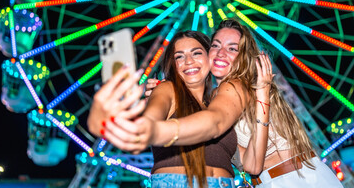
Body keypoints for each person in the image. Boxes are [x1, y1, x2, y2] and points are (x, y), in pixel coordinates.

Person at [99, 19, 343, 188]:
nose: (221, 53)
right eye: (215, 46)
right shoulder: (213, 100)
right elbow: (250, 164)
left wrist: (154, 128)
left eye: (232, 48)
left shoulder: (237, 85)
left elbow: (215, 124)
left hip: (299, 178)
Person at [89, 30, 238, 188]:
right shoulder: (167, 89)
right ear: (173, 65)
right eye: (179, 56)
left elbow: (250, 164)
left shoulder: (221, 103)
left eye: (196, 53)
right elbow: (151, 118)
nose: (188, 61)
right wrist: (128, 125)